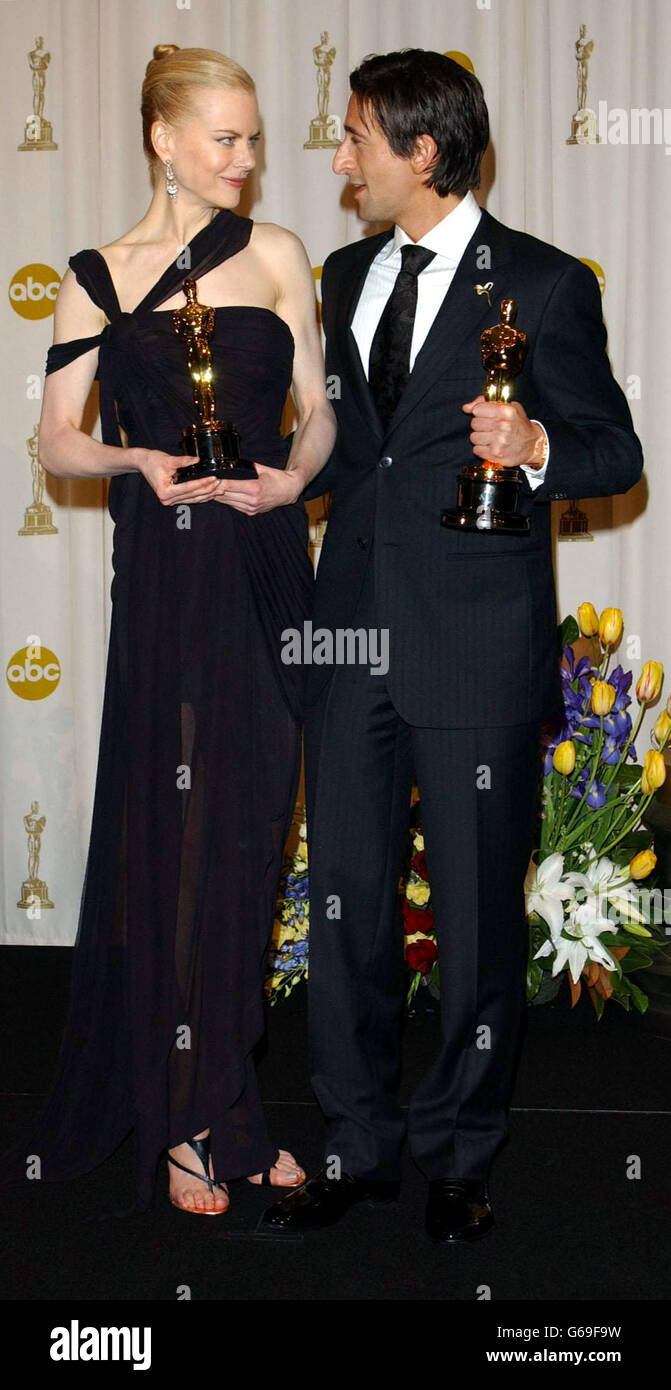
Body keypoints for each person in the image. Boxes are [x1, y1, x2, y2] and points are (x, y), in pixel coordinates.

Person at [259, 49, 643, 1243]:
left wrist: (532, 443)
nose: (337, 162)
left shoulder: (536, 280)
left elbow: (612, 452)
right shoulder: (339, 270)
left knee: (476, 919)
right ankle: (357, 1141)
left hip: (473, 642)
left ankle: (461, 1151)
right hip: (351, 628)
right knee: (344, 904)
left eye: (356, 139)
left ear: (423, 151)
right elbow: (344, 445)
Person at [0, 45, 335, 1217]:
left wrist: (295, 484)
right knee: (180, 836)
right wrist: (133, 458)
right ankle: (193, 1117)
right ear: (162, 138)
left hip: (262, 563)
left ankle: (226, 1099)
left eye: (251, 138)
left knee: (248, 833)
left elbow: (320, 417)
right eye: (224, 139)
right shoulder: (95, 275)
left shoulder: (282, 257)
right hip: (164, 573)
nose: (246, 159)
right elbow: (53, 440)